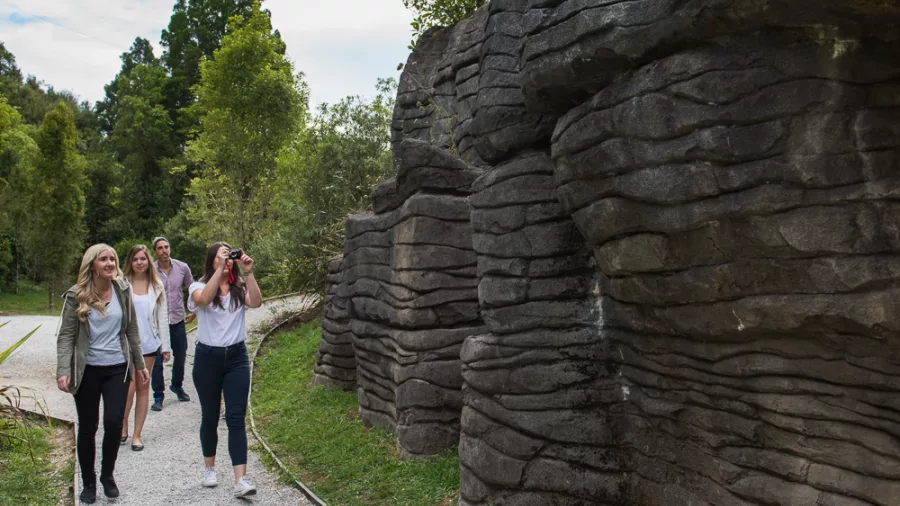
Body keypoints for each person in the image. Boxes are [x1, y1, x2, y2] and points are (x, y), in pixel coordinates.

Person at [56, 244, 149, 504]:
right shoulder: (76, 296)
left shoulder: (122, 289)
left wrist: (140, 365)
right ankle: (88, 481)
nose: (110, 263)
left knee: (112, 422)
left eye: (113, 259)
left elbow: (131, 329)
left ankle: (107, 475)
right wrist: (64, 370)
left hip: (117, 368)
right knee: (88, 427)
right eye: (104, 259)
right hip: (87, 370)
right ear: (92, 264)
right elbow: (65, 336)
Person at [188, 242, 262, 498]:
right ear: (212, 260)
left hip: (237, 359)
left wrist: (248, 271)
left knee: (235, 417)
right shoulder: (197, 286)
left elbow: (257, 302)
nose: (228, 259)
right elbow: (204, 300)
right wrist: (218, 269)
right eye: (222, 255)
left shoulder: (238, 289)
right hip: (208, 359)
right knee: (210, 415)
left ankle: (240, 480)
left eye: (230, 256)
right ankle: (209, 467)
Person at [120, 244, 171, 451]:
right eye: (135, 259)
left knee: (142, 387)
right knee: (127, 388)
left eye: (143, 259)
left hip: (149, 343)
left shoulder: (156, 286)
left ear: (148, 261)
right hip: (125, 345)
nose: (139, 262)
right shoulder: (121, 284)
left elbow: (162, 317)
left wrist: (165, 346)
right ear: (130, 262)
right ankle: (122, 426)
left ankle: (137, 435)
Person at [149, 236, 194, 411]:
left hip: (177, 320)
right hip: (158, 323)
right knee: (158, 360)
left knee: (181, 355)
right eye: (160, 248)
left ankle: (177, 385)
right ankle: (158, 395)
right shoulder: (150, 270)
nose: (164, 251)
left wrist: (194, 311)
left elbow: (193, 288)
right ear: (155, 252)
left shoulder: (182, 267)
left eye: (166, 247)